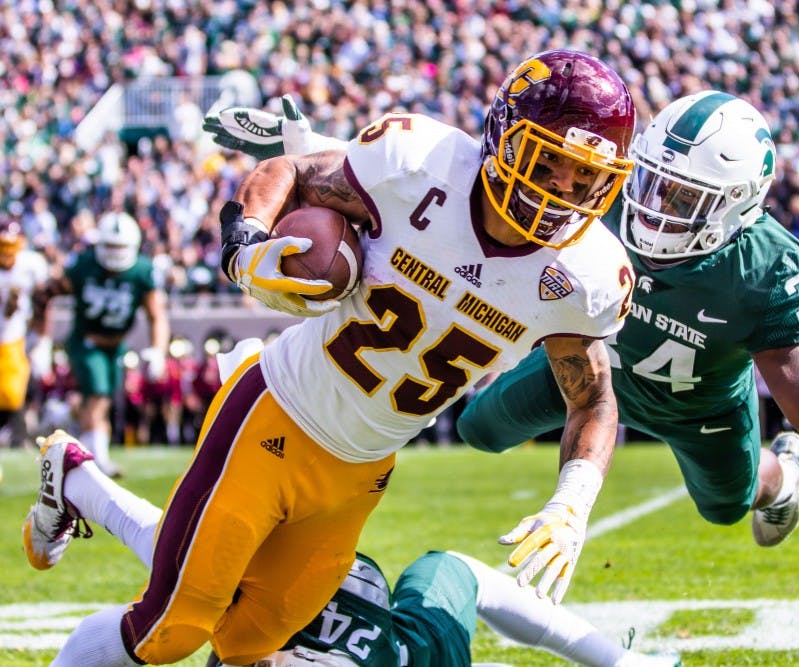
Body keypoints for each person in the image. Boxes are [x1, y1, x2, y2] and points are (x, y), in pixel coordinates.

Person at [206, 89, 799, 606]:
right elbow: (450, 188)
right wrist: (313, 149)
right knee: (475, 428)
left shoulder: (763, 273)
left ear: (735, 209)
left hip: (699, 406)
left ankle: (780, 474)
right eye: (650, 181)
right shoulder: (585, 218)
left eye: (682, 200)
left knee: (725, 506)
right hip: (587, 372)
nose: (651, 206)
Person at [25, 50, 637, 666]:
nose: (564, 190)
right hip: (277, 414)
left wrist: (572, 504)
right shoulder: (418, 163)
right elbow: (289, 170)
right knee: (171, 628)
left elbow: (593, 397)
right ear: (504, 138)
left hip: (361, 471)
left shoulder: (583, 274)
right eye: (551, 162)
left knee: (247, 643)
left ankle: (76, 475)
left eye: (587, 177)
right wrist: (247, 242)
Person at [26, 430, 680, 667]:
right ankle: (80, 477)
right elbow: (454, 574)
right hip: (340, 600)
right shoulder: (414, 649)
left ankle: (78, 477)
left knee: (201, 581)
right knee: (444, 570)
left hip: (291, 597)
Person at [33, 211, 170, 477]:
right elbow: (46, 293)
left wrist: (158, 351)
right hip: (86, 341)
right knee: (98, 394)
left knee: (102, 398)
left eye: (120, 246)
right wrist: (42, 338)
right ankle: (96, 463)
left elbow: (157, 315)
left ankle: (61, 413)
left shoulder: (142, 271)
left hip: (116, 345)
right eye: (110, 246)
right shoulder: (84, 265)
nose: (115, 252)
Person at [0, 216, 51, 450]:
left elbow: (43, 300)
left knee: (13, 389)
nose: (6, 252)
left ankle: (18, 435)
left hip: (15, 335)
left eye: (10, 246)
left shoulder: (30, 265)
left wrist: (41, 336)